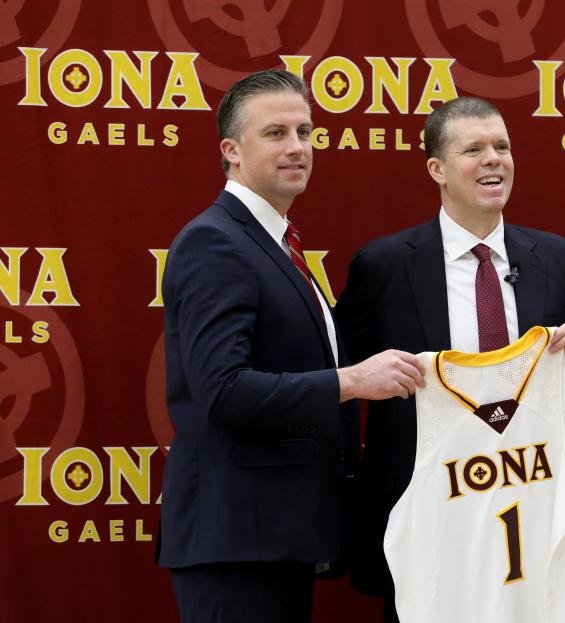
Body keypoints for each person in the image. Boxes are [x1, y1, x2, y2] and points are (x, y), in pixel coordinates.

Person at [156, 69, 425, 623]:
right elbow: (223, 392)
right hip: (238, 543)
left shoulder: (274, 244)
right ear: (231, 150)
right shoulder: (216, 242)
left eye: (305, 132)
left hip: (274, 538)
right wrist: (352, 382)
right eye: (276, 133)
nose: (298, 147)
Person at [335, 96, 565, 622]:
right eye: (474, 149)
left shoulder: (558, 260)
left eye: (503, 147)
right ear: (436, 169)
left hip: (530, 519)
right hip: (427, 525)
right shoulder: (384, 266)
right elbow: (341, 383)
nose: (494, 159)